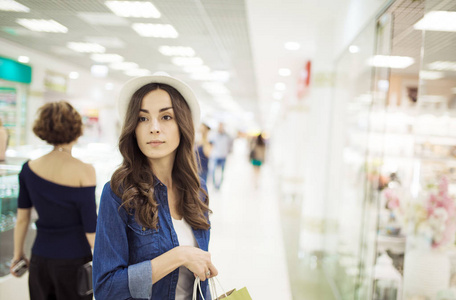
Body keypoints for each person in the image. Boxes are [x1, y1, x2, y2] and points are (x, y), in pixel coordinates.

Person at [93, 72, 218, 300]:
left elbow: (199, 278)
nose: (154, 128)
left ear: (183, 125)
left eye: (166, 117)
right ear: (133, 128)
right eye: (143, 119)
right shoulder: (118, 193)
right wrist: (178, 256)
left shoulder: (197, 190)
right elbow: (106, 289)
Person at [10, 101, 97, 300]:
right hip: (75, 260)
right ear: (77, 130)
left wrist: (17, 255)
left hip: (40, 258)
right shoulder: (85, 171)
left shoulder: (29, 168)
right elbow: (91, 230)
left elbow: (22, 219)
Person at [210, 123, 232, 190]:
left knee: (222, 172)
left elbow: (229, 145)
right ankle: (214, 184)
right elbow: (211, 143)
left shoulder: (227, 136)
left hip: (223, 156)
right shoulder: (214, 135)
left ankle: (219, 185)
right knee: (213, 171)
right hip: (216, 155)